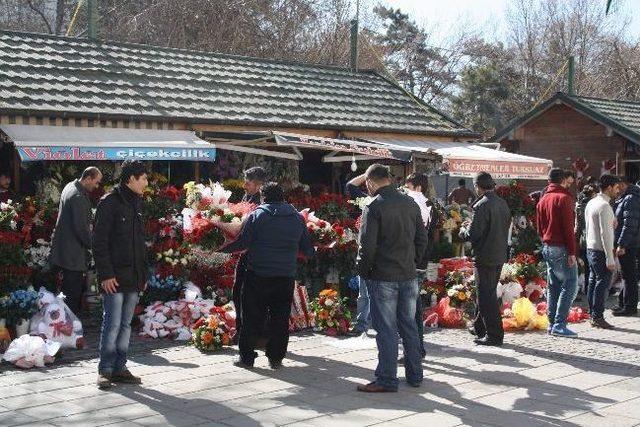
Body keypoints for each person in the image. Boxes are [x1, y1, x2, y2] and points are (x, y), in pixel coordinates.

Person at [221, 182, 314, 369]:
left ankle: (246, 358)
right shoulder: (297, 218)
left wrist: (222, 247)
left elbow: (243, 243)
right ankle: (276, 357)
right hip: (285, 276)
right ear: (282, 197)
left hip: (258, 275)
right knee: (280, 318)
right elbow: (307, 249)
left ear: (263, 197)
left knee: (251, 317)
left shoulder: (257, 216)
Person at [356, 164, 428, 392]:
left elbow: (366, 246)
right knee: (409, 326)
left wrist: (363, 271)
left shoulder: (374, 206)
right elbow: (422, 239)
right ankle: (415, 375)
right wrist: (414, 262)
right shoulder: (410, 203)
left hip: (383, 275)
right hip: (408, 274)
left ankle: (387, 379)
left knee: (386, 329)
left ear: (370, 182)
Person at [93, 160, 149, 390]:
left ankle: (120, 367)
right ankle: (105, 370)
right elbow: (99, 242)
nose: (146, 182)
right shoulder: (110, 202)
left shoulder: (136, 203)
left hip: (133, 277)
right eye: (143, 178)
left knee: (126, 324)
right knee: (112, 324)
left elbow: (139, 244)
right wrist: (105, 274)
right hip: (113, 277)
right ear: (131, 179)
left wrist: (143, 275)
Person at [462, 172, 511, 346]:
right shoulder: (501, 202)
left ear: (477, 186)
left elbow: (473, 234)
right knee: (485, 293)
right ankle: (479, 327)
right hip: (499, 254)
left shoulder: (481, 205)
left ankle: (494, 335)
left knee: (486, 296)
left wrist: (463, 230)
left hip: (485, 256)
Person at [49, 167, 102, 315]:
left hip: (65, 251)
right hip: (73, 255)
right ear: (88, 178)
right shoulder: (78, 196)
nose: (97, 186)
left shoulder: (69, 186)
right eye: (96, 182)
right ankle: (69, 326)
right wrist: (94, 246)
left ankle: (65, 322)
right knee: (72, 293)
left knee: (67, 291)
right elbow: (82, 229)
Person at [536, 168, 579, 337]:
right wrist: (572, 252)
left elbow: (539, 227)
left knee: (553, 286)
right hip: (561, 246)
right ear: (562, 181)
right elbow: (568, 228)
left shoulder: (543, 199)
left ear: (549, 181)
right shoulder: (564, 198)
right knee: (570, 284)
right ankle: (560, 324)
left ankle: (552, 323)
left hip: (547, 245)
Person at [233, 166, 267, 338]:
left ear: (259, 184)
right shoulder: (247, 196)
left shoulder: (263, 200)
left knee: (248, 293)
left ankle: (251, 332)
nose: (244, 185)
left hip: (257, 254)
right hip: (245, 251)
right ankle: (242, 329)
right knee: (238, 290)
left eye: (248, 182)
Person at [585, 174, 622, 329]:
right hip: (601, 250)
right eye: (616, 187)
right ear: (609, 187)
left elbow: (588, 226)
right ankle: (598, 316)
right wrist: (610, 258)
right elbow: (605, 233)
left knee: (593, 282)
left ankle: (593, 314)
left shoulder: (592, 202)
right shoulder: (605, 206)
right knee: (602, 284)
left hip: (591, 248)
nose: (618, 190)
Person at [404, 173, 432, 358]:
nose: (406, 190)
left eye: (408, 187)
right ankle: (417, 348)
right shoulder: (429, 205)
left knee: (409, 310)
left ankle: (414, 350)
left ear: (418, 188)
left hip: (412, 262)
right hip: (420, 261)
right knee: (414, 308)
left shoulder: (416, 204)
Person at [345, 172, 370, 337]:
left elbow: (351, 186)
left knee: (369, 293)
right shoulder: (367, 201)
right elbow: (350, 187)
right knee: (365, 293)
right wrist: (369, 174)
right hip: (370, 254)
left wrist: (367, 174)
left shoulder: (369, 201)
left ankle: (365, 324)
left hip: (376, 255)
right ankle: (362, 324)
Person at [612, 177, 640, 316]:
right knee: (627, 275)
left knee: (629, 276)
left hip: (629, 244)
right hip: (630, 242)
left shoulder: (630, 198)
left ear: (623, 184)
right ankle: (624, 303)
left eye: (617, 187)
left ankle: (629, 307)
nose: (616, 190)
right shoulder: (628, 197)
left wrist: (622, 244)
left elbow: (629, 224)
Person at [575, 184, 598, 298]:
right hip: (591, 239)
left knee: (582, 266)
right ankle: (590, 289)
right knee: (591, 267)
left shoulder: (579, 206)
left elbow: (578, 227)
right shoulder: (594, 205)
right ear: (593, 194)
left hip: (581, 240)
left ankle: (582, 288)